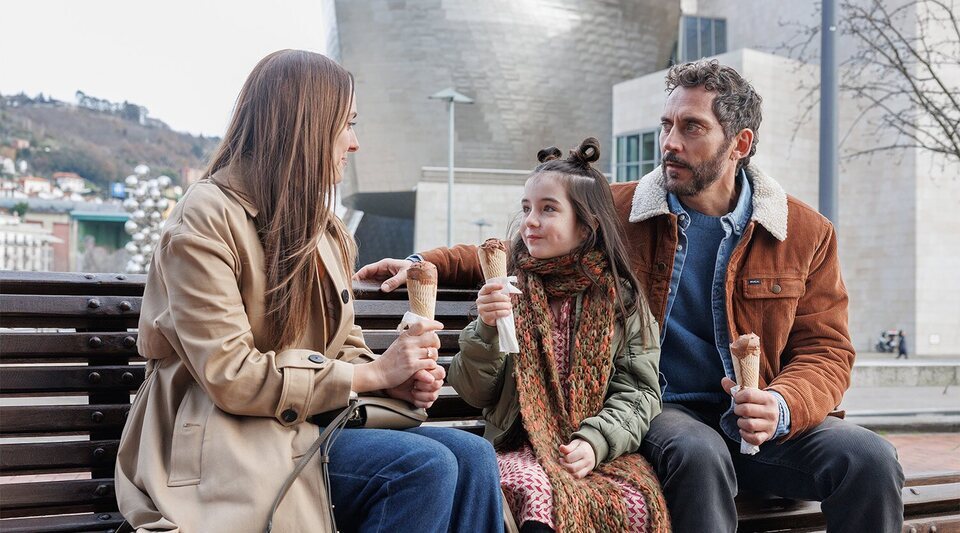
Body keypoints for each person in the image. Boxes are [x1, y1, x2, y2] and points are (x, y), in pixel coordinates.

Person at [356, 59, 904, 532]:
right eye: (666, 125)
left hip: (765, 427)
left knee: (871, 459)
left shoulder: (805, 233)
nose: (669, 142)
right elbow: (522, 245)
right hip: (661, 412)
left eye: (691, 128)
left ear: (740, 144)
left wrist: (781, 406)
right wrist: (421, 262)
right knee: (697, 451)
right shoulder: (619, 210)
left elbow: (827, 353)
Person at [114, 50, 503, 533]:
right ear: (304, 126)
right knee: (424, 467)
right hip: (226, 437)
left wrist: (391, 380)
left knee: (474, 454)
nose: (355, 143)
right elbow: (230, 373)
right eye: (347, 124)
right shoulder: (205, 219)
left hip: (302, 424)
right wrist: (371, 376)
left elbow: (346, 348)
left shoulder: (323, 229)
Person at [450, 139, 667, 533]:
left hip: (595, 449)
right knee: (538, 493)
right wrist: (486, 329)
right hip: (517, 446)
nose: (530, 221)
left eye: (548, 209)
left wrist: (595, 441)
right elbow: (474, 392)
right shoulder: (508, 289)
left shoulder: (622, 299)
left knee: (635, 500)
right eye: (527, 208)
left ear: (587, 226)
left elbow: (639, 392)